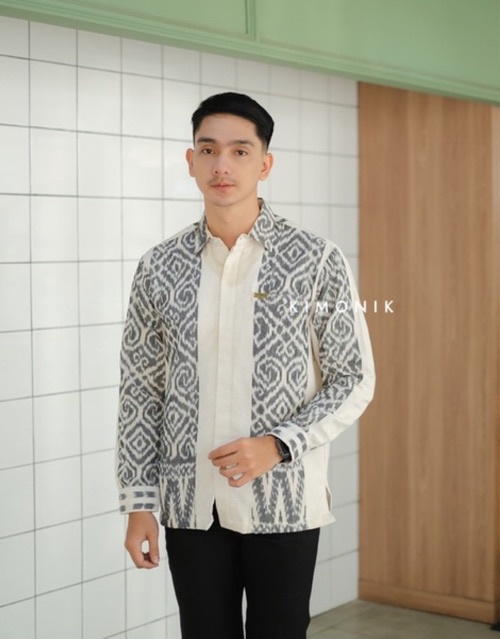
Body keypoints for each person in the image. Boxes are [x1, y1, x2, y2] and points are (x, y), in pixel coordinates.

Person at [116, 92, 375, 639]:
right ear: (191, 161)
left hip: (284, 502)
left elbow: (353, 378)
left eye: (239, 151)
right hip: (190, 503)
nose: (222, 165)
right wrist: (139, 503)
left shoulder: (316, 260)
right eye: (208, 150)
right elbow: (141, 391)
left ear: (265, 164)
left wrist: (278, 444)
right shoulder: (158, 267)